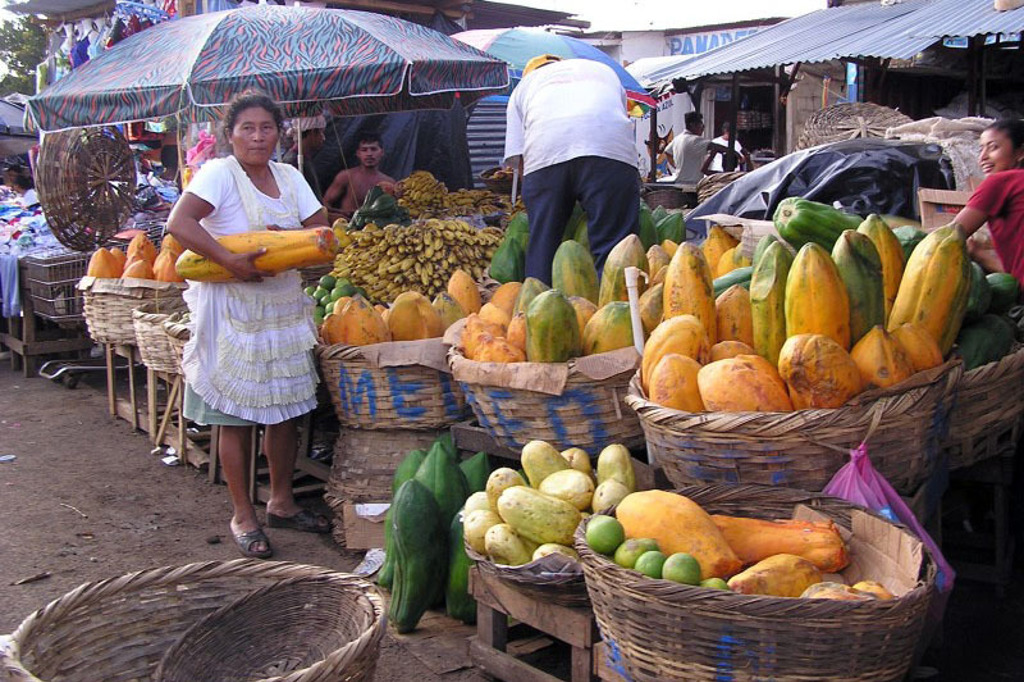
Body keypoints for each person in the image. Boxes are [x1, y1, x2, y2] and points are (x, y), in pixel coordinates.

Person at [166, 91, 331, 559]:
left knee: (286, 411)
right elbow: (181, 223)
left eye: (266, 128)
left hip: (278, 309)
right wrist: (229, 259)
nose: (258, 136)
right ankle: (243, 514)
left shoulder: (290, 176)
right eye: (247, 128)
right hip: (229, 307)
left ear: (279, 134)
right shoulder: (219, 174)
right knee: (235, 419)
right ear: (230, 135)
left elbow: (318, 227)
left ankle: (281, 502)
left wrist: (295, 240)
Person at [504, 54, 641, 282]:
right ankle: (617, 310)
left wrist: (544, 206)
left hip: (545, 152)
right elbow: (617, 122)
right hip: (609, 149)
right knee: (615, 251)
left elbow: (520, 161)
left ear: (530, 74)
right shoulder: (603, 71)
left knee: (543, 244)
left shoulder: (525, 87)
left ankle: (536, 303)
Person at [953, 119, 1024, 282]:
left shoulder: (1001, 182)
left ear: (1020, 152)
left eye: (993, 147)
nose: (982, 157)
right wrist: (979, 254)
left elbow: (948, 237)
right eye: (981, 149)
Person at [323, 132, 395, 217]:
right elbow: (325, 203)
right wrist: (339, 213)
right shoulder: (346, 176)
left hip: (380, 228)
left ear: (382, 152)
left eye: (373, 149)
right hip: (348, 226)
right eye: (364, 150)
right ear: (358, 153)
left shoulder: (389, 182)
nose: (369, 154)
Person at [664, 111, 728, 205]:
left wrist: (676, 166)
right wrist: (736, 153)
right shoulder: (695, 140)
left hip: (679, 182)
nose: (702, 129)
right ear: (693, 125)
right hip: (692, 185)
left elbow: (667, 152)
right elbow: (716, 147)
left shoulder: (678, 138)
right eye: (701, 126)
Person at [282, 115, 327, 202]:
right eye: (321, 133)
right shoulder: (293, 162)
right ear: (313, 133)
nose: (323, 138)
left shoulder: (305, 159)